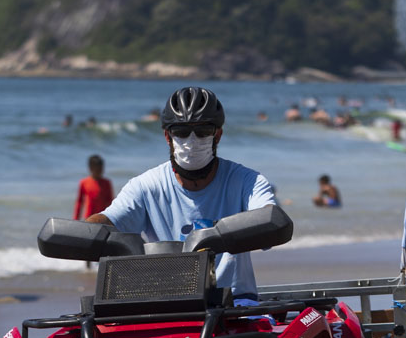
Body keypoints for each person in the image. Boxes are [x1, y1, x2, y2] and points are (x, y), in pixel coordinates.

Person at [91, 86, 275, 303]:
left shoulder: (247, 181)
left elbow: (269, 217)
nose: (192, 140)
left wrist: (264, 223)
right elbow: (108, 221)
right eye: (181, 132)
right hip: (167, 305)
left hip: (236, 302)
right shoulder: (145, 186)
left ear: (218, 135)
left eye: (203, 131)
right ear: (168, 136)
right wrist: (85, 232)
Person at [73, 155, 113, 220]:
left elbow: (110, 201)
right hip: (89, 217)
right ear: (90, 168)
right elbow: (79, 202)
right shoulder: (84, 182)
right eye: (97, 169)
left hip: (102, 217)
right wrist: (76, 219)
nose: (100, 171)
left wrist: (111, 218)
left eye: (101, 169)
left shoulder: (107, 183)